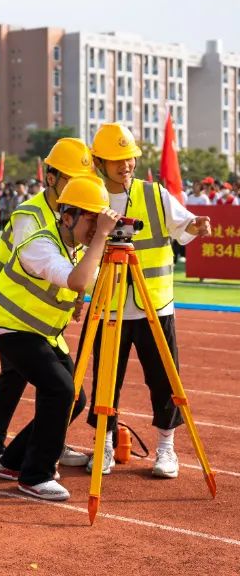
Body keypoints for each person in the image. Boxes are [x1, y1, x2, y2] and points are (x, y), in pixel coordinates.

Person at [84, 123, 212, 479]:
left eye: (129, 158)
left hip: (155, 305)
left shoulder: (154, 194)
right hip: (108, 307)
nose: (125, 165)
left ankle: (166, 448)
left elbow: (184, 226)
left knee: (164, 381)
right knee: (107, 381)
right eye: (116, 159)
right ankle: (104, 444)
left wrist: (197, 225)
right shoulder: (90, 197)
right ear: (99, 162)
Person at [0, 176, 118, 500]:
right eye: (91, 220)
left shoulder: (75, 248)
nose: (95, 228)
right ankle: (36, 475)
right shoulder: (40, 243)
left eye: (99, 221)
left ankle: (13, 461)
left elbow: (83, 281)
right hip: (13, 327)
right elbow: (77, 281)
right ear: (68, 216)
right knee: (59, 389)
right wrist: (102, 237)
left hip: (43, 332)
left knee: (76, 398)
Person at [0, 138, 97, 470]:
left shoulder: (72, 212)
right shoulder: (30, 215)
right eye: (71, 179)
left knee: (61, 386)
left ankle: (48, 441)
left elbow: (74, 261)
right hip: (10, 303)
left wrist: (76, 296)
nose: (78, 186)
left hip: (43, 312)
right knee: (16, 372)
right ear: (51, 177)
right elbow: (42, 264)